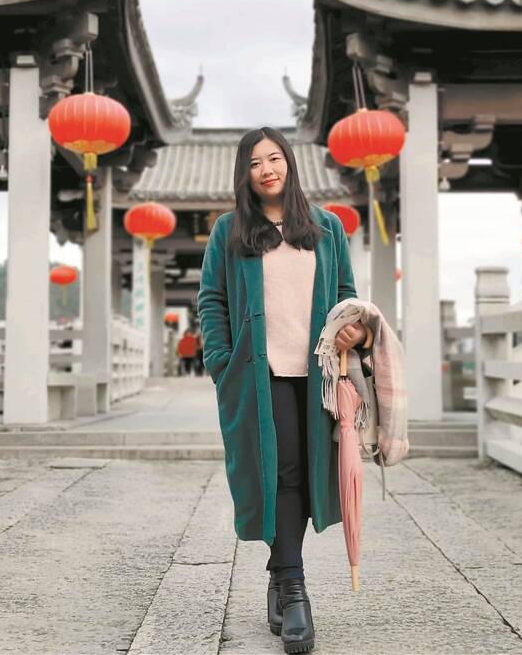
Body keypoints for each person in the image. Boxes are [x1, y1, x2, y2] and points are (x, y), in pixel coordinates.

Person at [197, 127, 371, 654]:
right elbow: (211, 299)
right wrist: (221, 362)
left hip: (317, 371)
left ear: (290, 164)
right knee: (282, 471)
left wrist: (356, 331)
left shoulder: (326, 226)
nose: (266, 169)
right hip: (259, 372)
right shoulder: (229, 230)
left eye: (274, 158)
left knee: (304, 471)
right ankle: (295, 591)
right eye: (255, 163)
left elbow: (346, 295)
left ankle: (279, 575)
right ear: (244, 174)